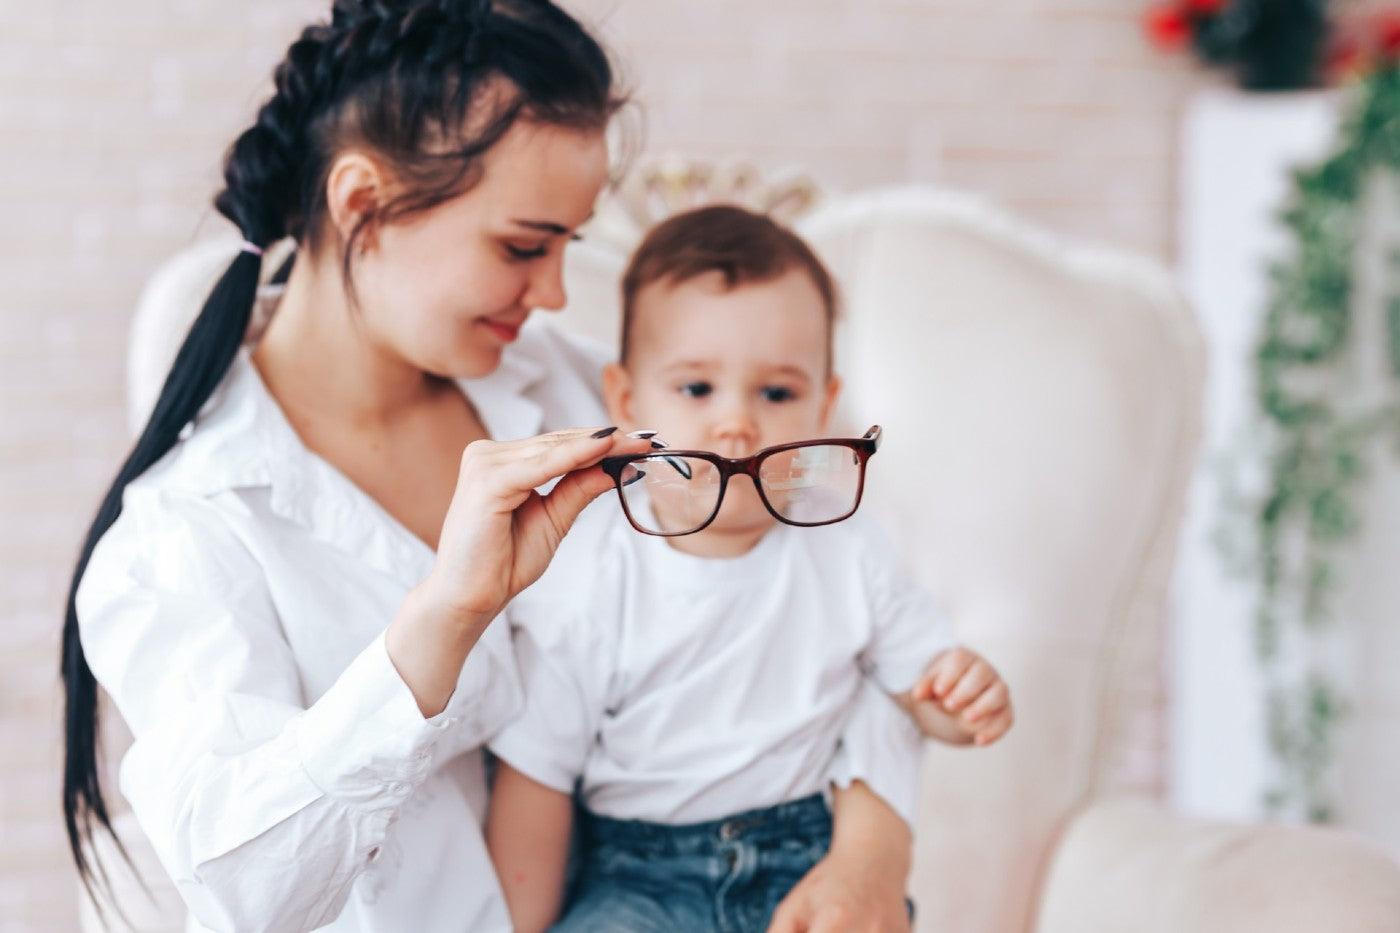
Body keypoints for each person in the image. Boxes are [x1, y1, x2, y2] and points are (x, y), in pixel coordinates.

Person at [61, 3, 929, 930]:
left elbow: (826, 602)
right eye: (523, 246)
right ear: (362, 203)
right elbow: (248, 895)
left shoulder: (579, 395)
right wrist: (441, 623)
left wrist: (874, 849)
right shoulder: (187, 535)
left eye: (568, 244)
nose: (554, 293)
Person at [485, 206, 1015, 932]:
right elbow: (537, 777)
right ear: (626, 400)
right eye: (697, 389)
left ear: (825, 406)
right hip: (640, 876)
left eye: (777, 392)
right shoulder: (594, 564)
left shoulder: (848, 546)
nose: (736, 422)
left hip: (808, 858)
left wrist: (961, 701)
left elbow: (915, 690)